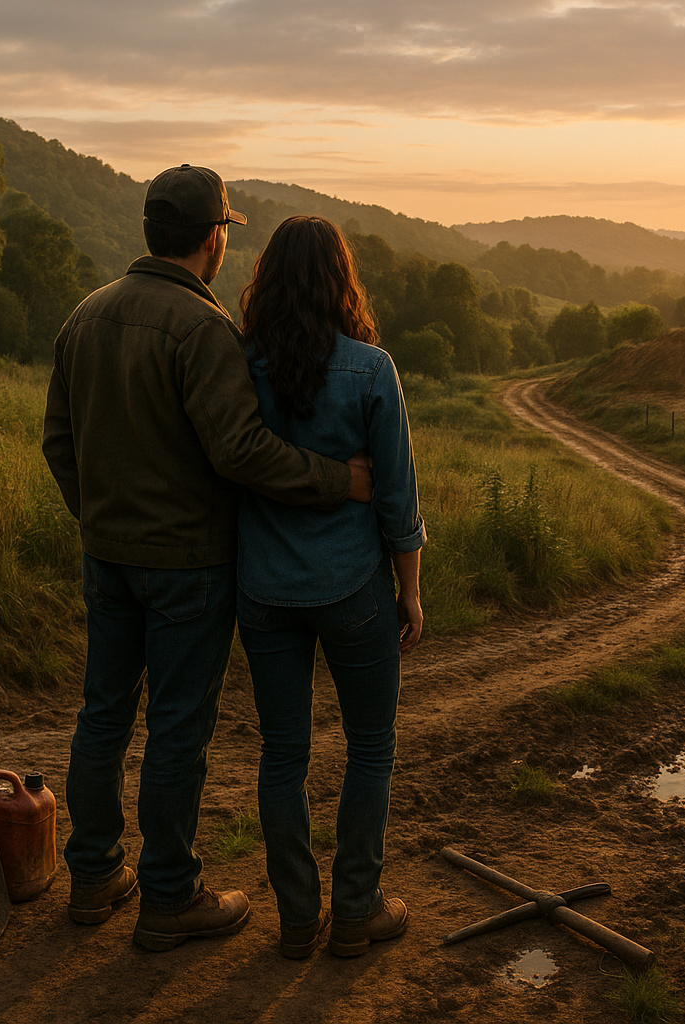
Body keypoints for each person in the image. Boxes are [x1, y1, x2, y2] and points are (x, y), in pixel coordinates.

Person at [42, 166, 373, 952]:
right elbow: (242, 451)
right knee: (177, 731)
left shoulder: (84, 317)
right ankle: (169, 898)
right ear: (212, 238)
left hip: (107, 556)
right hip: (188, 567)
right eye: (225, 229)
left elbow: (59, 442)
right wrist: (339, 481)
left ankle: (92, 877)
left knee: (102, 715)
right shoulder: (202, 330)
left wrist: (97, 517)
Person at [235, 215, 425, 959]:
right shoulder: (371, 370)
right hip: (353, 590)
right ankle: (356, 911)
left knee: (282, 755)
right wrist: (409, 592)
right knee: (370, 748)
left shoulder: (237, 367)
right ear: (342, 279)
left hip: (264, 592)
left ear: (267, 280)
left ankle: (294, 918)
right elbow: (397, 502)